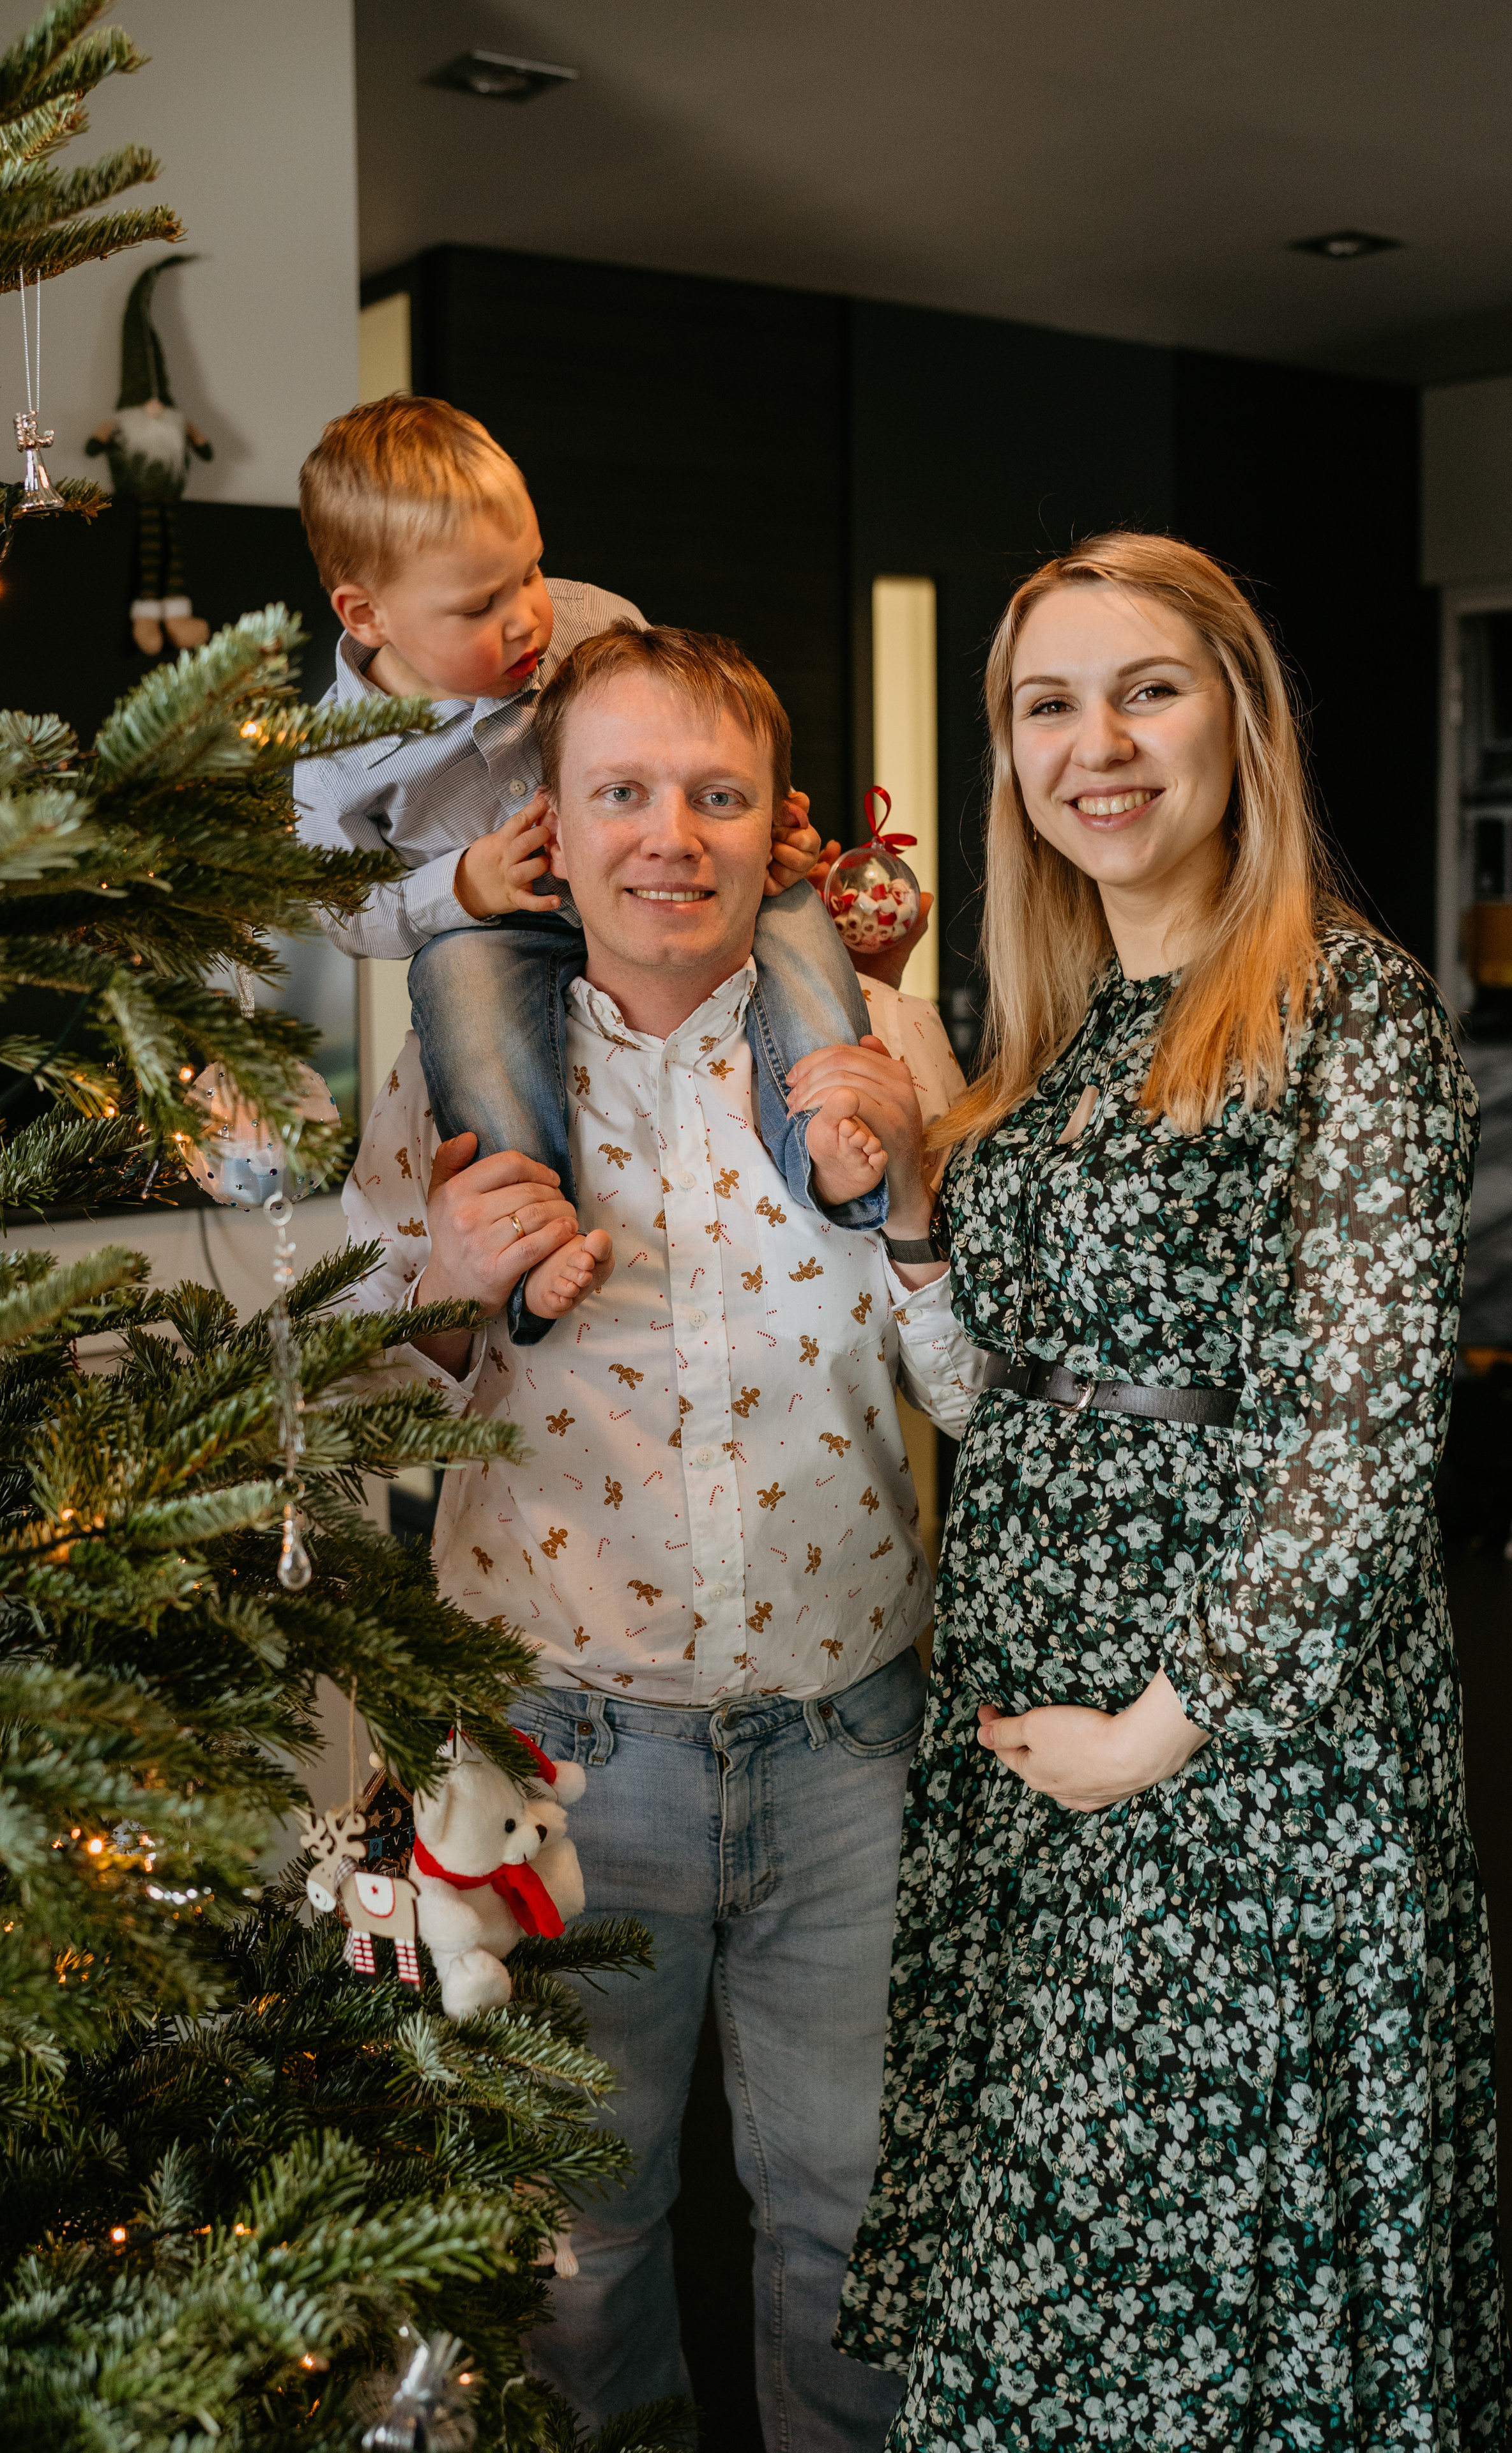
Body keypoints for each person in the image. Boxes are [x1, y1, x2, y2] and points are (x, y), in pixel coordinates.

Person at [837, 531, 1504, 2449]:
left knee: (1212, 2294)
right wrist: (915, 1230)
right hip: (1033, 1750)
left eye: (1148, 689)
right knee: (1051, 2300)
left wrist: (1165, 1724)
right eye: (1049, 704)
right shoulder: (1047, 1032)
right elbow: (997, 1399)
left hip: (1239, 1764)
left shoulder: (1344, 1015)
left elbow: (1369, 1432)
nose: (1096, 745)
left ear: (1241, 719)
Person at [343, 623, 980, 2450]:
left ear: (782, 826)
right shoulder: (460, 1067)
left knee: (856, 2236)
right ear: (555, 818)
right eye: (621, 792)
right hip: (551, 1749)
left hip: (850, 1737)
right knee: (575, 2245)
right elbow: (337, 1388)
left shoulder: (888, 1043)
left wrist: (920, 1193)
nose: (667, 839)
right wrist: (431, 1284)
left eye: (714, 796)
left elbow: (982, 1393)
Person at [294, 394, 882, 1341]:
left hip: (669, 896)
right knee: (459, 991)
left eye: (528, 569)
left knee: (791, 911)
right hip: (501, 926)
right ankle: (530, 1239)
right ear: (369, 614)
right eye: (481, 605)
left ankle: (824, 1132)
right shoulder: (335, 761)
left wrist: (760, 821)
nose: (528, 616)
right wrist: (461, 889)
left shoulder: (588, 621)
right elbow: (338, 912)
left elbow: (679, 741)